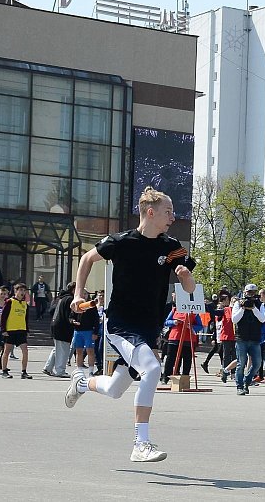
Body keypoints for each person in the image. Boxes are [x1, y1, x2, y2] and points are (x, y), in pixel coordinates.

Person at [64, 187, 196, 463]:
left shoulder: (171, 247)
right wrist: (78, 294)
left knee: (115, 389)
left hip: (150, 328)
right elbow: (87, 259)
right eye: (168, 212)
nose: (173, 217)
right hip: (122, 324)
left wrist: (185, 277)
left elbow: (190, 287)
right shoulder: (121, 242)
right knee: (152, 368)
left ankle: (81, 383)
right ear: (151, 212)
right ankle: (140, 443)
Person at [231, 284, 265, 394]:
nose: (251, 295)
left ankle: (247, 381)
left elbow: (262, 319)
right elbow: (234, 319)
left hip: (255, 338)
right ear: (245, 293)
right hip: (242, 338)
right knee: (241, 363)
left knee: (257, 363)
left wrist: (254, 308)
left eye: (253, 292)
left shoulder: (259, 305)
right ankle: (239, 386)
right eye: (249, 292)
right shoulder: (238, 303)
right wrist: (243, 308)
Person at [0, 283, 33, 379]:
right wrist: (3, 329)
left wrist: (27, 330)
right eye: (21, 290)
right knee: (7, 351)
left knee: (25, 350)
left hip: (21, 330)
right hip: (10, 330)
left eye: (24, 291)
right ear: (15, 291)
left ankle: (24, 372)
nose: (23, 292)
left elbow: (26, 318)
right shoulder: (10, 302)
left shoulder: (25, 304)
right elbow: (3, 316)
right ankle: (4, 371)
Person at [43, 282, 77, 378]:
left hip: (56, 324)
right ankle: (60, 370)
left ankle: (48, 368)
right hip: (63, 327)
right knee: (64, 350)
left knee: (57, 348)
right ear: (73, 290)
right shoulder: (70, 299)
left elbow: (51, 310)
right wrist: (72, 321)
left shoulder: (61, 298)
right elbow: (69, 314)